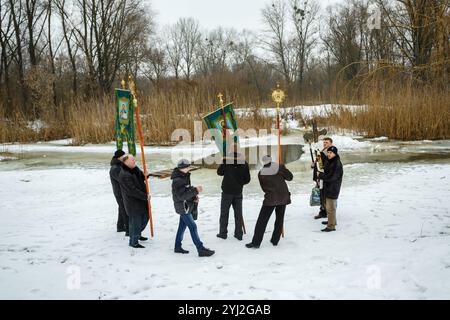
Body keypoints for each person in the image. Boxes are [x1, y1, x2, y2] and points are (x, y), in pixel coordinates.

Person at [246, 155, 293, 249]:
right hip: (283, 197)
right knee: (279, 220)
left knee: (262, 221)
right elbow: (290, 177)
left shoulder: (261, 173)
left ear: (263, 162)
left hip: (270, 198)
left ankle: (256, 242)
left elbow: (263, 188)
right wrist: (284, 168)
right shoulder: (280, 167)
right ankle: (275, 240)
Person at [171, 159, 215, 257]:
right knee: (193, 227)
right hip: (183, 207)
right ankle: (200, 249)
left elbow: (187, 190)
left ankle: (177, 247)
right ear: (183, 168)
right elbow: (181, 196)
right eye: (188, 166)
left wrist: (194, 197)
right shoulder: (177, 180)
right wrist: (196, 190)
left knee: (182, 227)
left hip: (186, 205)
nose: (189, 168)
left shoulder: (184, 176)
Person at [216, 152, 251, 241]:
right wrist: (239, 184)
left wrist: (222, 162)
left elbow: (219, 173)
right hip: (238, 191)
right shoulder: (244, 163)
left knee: (224, 213)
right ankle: (239, 234)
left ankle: (223, 233)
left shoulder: (226, 161)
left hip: (227, 191)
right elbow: (247, 179)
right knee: (238, 213)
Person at [118, 154, 150, 248]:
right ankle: (133, 241)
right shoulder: (124, 174)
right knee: (135, 222)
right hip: (133, 202)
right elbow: (132, 190)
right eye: (132, 160)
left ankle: (137, 234)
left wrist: (146, 176)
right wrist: (145, 196)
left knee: (145, 217)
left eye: (133, 160)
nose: (134, 161)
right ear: (125, 162)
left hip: (141, 200)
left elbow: (141, 177)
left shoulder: (134, 169)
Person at [317, 146, 343, 232]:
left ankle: (331, 226)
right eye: (328, 152)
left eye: (330, 153)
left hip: (333, 188)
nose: (328, 154)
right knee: (328, 207)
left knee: (331, 208)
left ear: (335, 153)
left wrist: (320, 175)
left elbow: (331, 177)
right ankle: (332, 221)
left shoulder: (337, 164)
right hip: (328, 187)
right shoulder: (331, 161)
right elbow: (327, 171)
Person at [312, 137, 333, 220]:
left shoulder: (331, 152)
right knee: (321, 194)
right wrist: (314, 163)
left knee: (326, 195)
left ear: (331, 143)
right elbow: (318, 163)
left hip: (326, 177)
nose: (325, 144)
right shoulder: (321, 151)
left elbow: (329, 165)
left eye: (327, 142)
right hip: (320, 176)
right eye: (324, 142)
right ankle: (323, 211)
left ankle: (329, 212)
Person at [110, 150, 129, 235]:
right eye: (123, 156)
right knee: (125, 209)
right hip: (119, 192)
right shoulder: (115, 168)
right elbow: (123, 179)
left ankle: (120, 226)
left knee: (122, 207)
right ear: (119, 157)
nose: (125, 157)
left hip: (122, 191)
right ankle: (129, 230)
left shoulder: (120, 165)